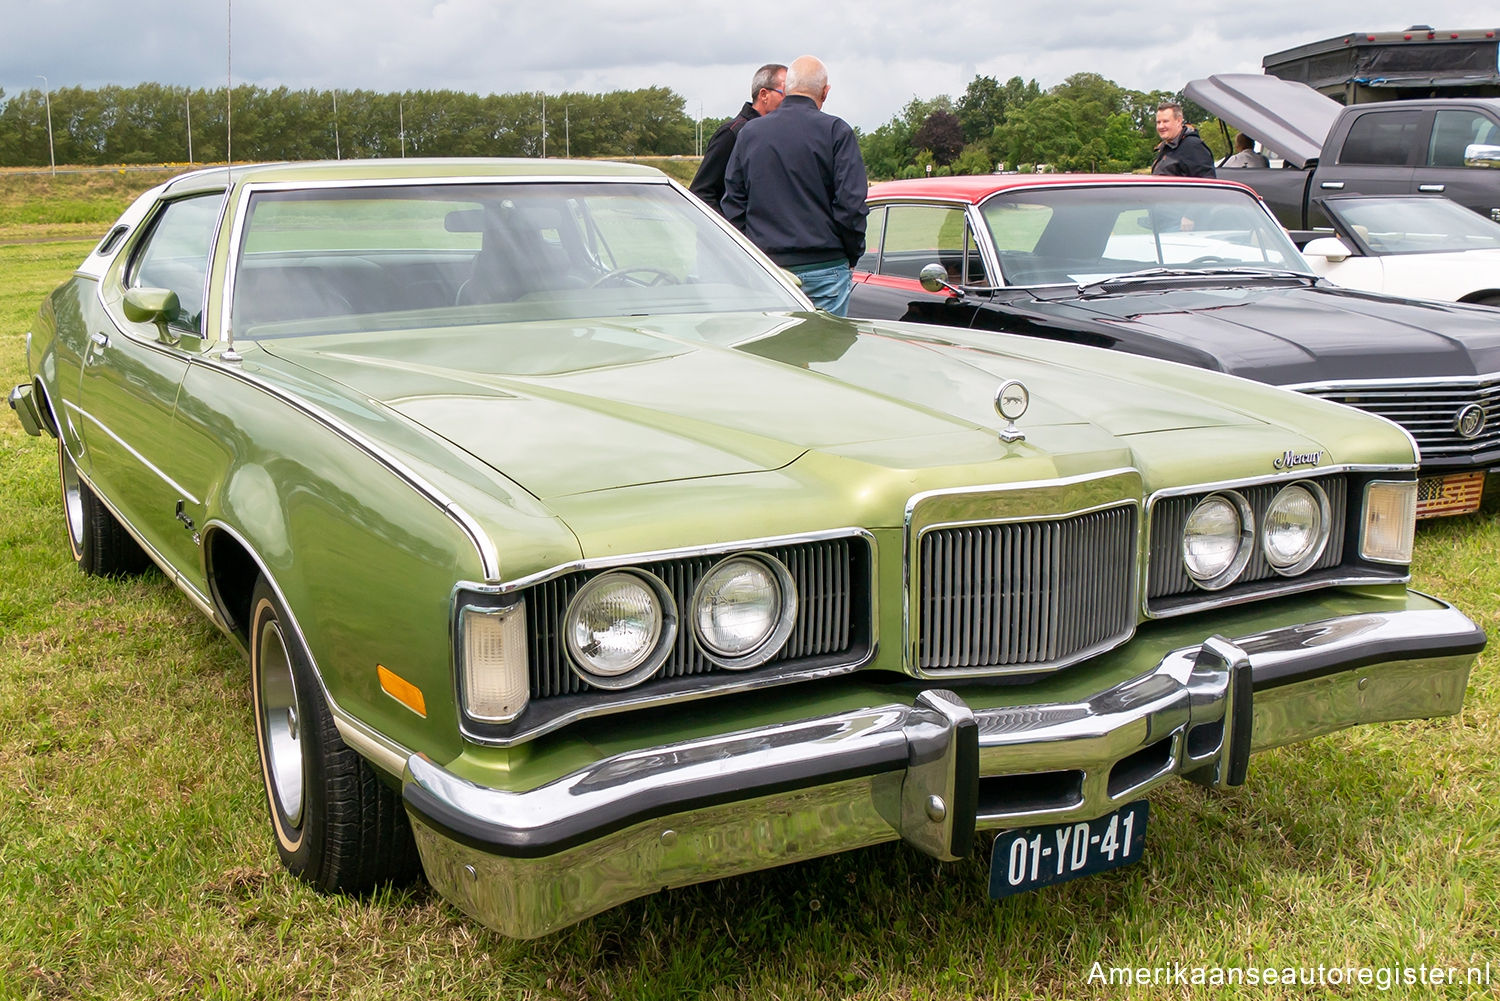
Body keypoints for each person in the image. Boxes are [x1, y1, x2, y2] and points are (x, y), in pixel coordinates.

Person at [721, 55, 868, 316]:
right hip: (825, 264)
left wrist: (754, 252)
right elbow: (851, 205)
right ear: (825, 92)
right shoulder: (836, 131)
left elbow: (733, 204)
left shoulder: (750, 134)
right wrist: (849, 253)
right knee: (827, 352)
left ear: (787, 89)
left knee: (771, 353)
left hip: (767, 267)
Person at [689, 64, 786, 214]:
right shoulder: (731, 134)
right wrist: (732, 232)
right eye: (785, 94)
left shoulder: (779, 133)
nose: (791, 101)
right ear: (764, 95)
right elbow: (701, 193)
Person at [1151, 101, 1216, 177]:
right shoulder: (1166, 147)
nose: (1161, 126)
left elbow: (1206, 184)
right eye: (1158, 122)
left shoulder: (1192, 146)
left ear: (1178, 121)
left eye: (1165, 121)